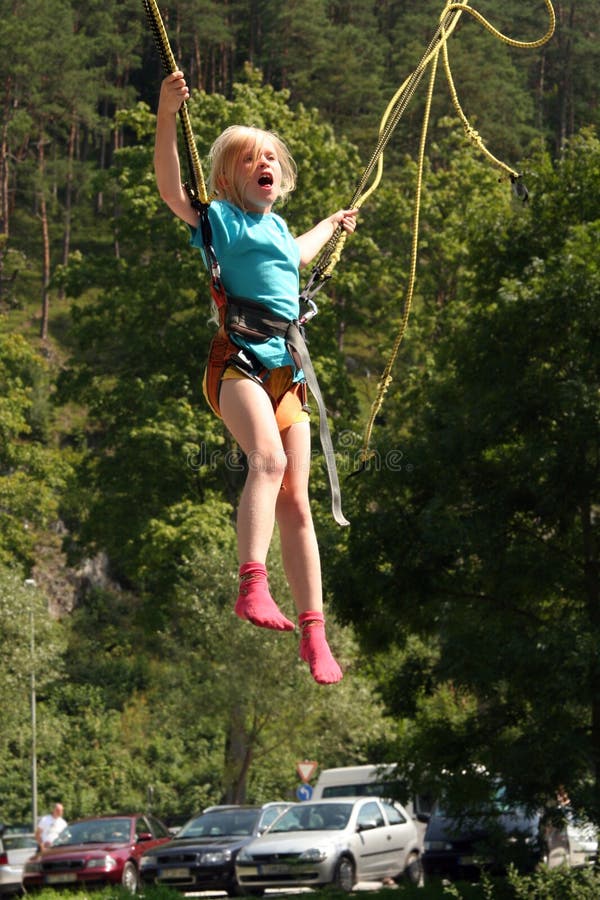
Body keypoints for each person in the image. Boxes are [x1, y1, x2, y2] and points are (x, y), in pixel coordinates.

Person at [154, 71, 358, 684]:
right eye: (250, 160)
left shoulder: (273, 229)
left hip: (285, 370)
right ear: (228, 179)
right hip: (237, 360)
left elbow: (299, 251)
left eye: (270, 158)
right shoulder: (221, 220)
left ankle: (314, 632)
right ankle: (252, 583)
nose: (263, 164)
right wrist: (167, 114)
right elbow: (170, 189)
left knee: (299, 499)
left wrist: (333, 223)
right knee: (266, 464)